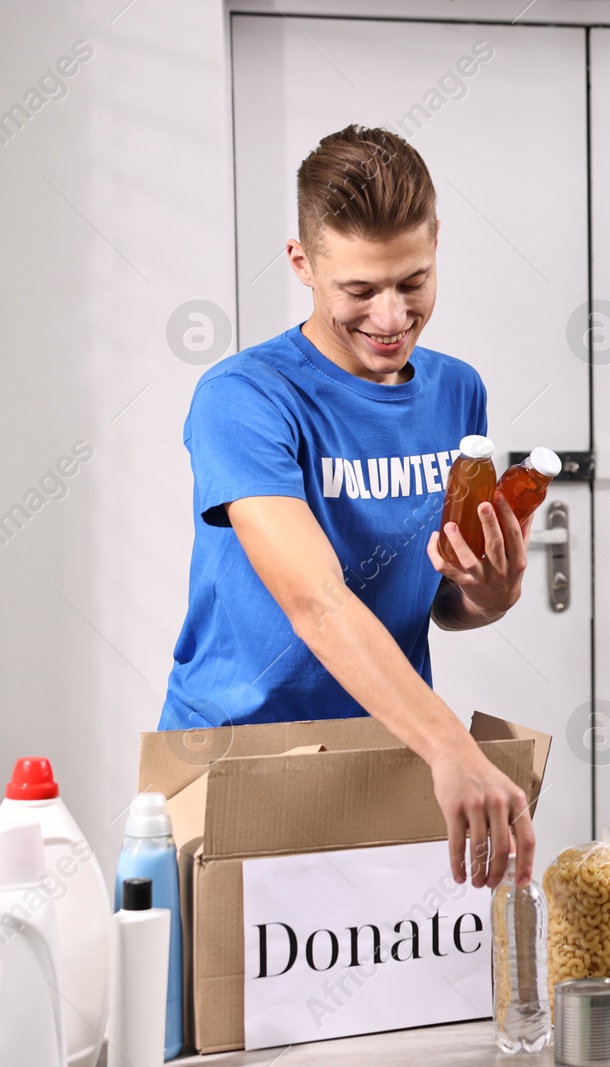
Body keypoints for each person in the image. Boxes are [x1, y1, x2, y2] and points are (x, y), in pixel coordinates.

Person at [160, 125, 536, 890]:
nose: (392, 316)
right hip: (239, 756)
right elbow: (318, 601)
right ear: (302, 263)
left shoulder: (459, 391)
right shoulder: (245, 398)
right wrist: (454, 748)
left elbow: (439, 602)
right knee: (220, 1008)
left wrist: (487, 596)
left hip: (384, 749)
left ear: (436, 243)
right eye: (359, 290)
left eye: (413, 281)